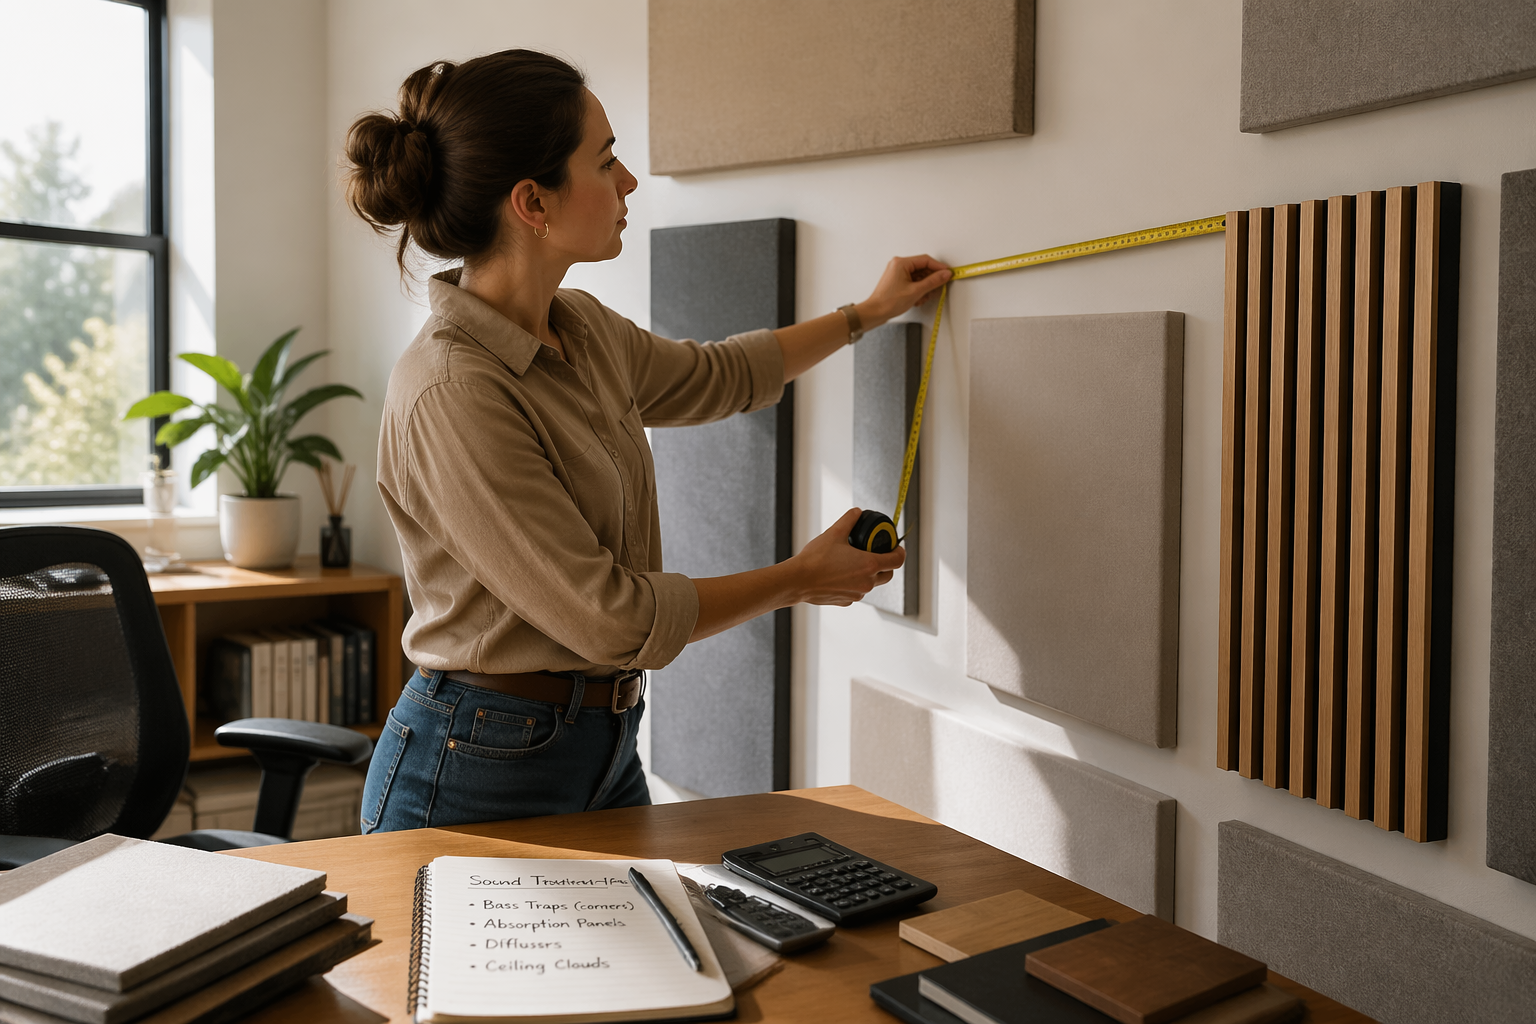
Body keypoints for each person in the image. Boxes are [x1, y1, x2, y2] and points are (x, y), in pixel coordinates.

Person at [343, 49, 950, 832]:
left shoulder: (584, 328)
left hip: (605, 741)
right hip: (476, 767)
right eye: (606, 161)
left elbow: (719, 376)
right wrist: (798, 578)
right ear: (533, 202)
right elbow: (612, 620)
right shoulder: (452, 392)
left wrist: (866, 312)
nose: (628, 182)